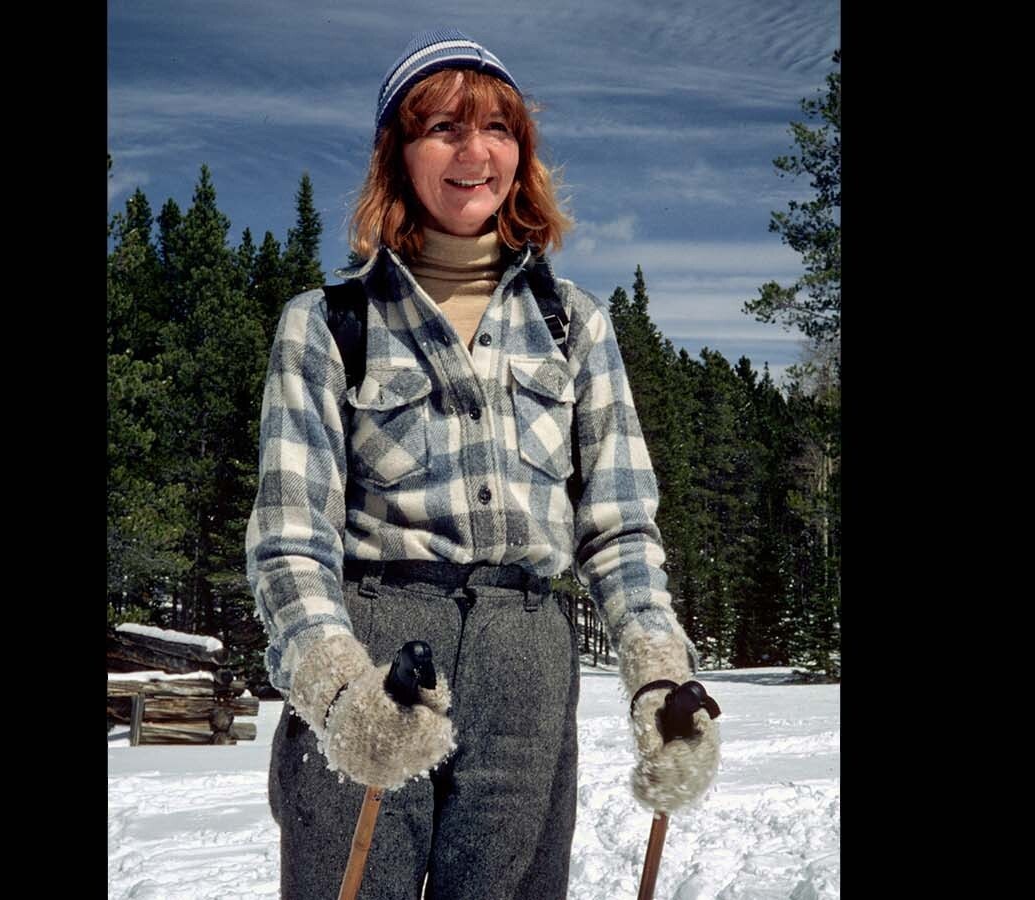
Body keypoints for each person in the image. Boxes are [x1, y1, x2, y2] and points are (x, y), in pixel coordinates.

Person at [245, 28, 720, 900]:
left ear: (522, 154)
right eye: (443, 129)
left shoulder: (576, 324)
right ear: (399, 153)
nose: (475, 152)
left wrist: (659, 671)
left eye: (496, 128)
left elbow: (618, 527)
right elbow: (288, 541)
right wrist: (342, 690)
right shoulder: (325, 323)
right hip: (380, 652)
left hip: (527, 662)